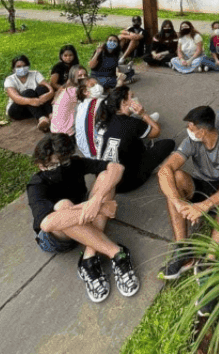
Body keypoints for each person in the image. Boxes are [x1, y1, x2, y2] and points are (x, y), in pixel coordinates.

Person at [27, 133, 139, 302]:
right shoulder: (36, 184)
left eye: (64, 162)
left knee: (105, 178)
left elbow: (117, 168)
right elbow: (47, 224)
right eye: (52, 166)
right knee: (63, 206)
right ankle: (115, 252)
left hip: (84, 217)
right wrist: (100, 207)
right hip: (56, 238)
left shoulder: (75, 163)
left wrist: (96, 200)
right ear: (40, 165)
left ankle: (89, 257)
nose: (60, 168)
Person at [157, 106, 219, 297]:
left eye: (191, 127)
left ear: (203, 131)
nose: (188, 130)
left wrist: (204, 206)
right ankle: (183, 252)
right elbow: (165, 170)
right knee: (176, 178)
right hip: (199, 186)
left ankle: (210, 261)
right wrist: (179, 203)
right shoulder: (191, 141)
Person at [96, 86, 175, 193]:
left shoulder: (104, 120)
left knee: (130, 141)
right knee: (168, 144)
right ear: (124, 103)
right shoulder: (132, 123)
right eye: (132, 97)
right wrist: (143, 114)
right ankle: (152, 167)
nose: (135, 99)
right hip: (125, 183)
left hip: (104, 180)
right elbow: (156, 131)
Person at [4, 54, 54, 132]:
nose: (22, 68)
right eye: (18, 67)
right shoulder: (10, 79)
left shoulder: (35, 74)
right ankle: (42, 118)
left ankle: (51, 115)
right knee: (28, 92)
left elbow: (47, 86)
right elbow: (15, 97)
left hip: (36, 106)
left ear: (28, 66)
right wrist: (32, 101)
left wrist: (50, 93)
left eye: (24, 66)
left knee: (42, 88)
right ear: (13, 69)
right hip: (18, 110)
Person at [50, 64, 88, 136]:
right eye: (80, 76)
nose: (83, 77)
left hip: (56, 132)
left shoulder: (66, 90)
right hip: (67, 135)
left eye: (85, 75)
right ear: (73, 78)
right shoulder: (75, 91)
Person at [75, 77, 105, 158]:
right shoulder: (98, 103)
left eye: (97, 84)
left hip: (85, 150)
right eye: (92, 85)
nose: (97, 87)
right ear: (85, 92)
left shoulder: (81, 105)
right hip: (95, 152)